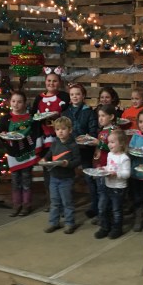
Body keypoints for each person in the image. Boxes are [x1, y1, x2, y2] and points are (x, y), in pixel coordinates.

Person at [30, 66, 70, 211]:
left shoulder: (64, 96)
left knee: (60, 168)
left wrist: (57, 116)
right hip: (44, 138)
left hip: (59, 138)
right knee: (47, 169)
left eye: (54, 81)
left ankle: (63, 202)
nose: (51, 83)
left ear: (59, 82)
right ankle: (51, 201)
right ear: (45, 82)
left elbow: (67, 113)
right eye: (49, 81)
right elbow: (33, 115)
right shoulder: (39, 98)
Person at [0, 90, 42, 217]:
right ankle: (16, 205)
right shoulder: (5, 119)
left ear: (24, 103)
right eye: (13, 101)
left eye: (19, 102)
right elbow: (0, 133)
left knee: (26, 180)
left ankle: (26, 205)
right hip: (13, 154)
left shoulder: (31, 119)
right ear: (10, 102)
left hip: (28, 153)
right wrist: (4, 136)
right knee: (15, 181)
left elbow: (36, 134)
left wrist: (35, 148)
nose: (16, 104)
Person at [62, 83, 99, 219]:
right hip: (70, 149)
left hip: (85, 150)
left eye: (78, 94)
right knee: (66, 178)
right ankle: (66, 207)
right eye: (72, 94)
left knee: (89, 178)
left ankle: (95, 206)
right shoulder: (66, 112)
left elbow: (93, 131)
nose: (75, 96)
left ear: (83, 96)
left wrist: (88, 138)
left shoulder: (89, 112)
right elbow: (62, 130)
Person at [41, 117, 81, 234]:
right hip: (54, 177)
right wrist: (44, 159)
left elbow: (77, 161)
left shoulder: (73, 145)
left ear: (70, 130)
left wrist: (68, 164)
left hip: (66, 178)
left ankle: (70, 223)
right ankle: (54, 223)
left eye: (63, 129)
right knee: (54, 202)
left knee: (67, 202)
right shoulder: (55, 143)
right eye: (58, 129)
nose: (60, 132)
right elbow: (49, 154)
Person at [95, 129, 130, 240]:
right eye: (109, 142)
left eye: (112, 142)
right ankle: (105, 227)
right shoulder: (110, 154)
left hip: (118, 188)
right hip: (107, 186)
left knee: (116, 210)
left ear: (121, 143)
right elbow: (109, 167)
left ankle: (117, 229)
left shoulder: (124, 158)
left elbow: (127, 174)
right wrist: (103, 169)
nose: (109, 144)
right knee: (103, 208)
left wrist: (116, 174)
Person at [89, 104, 118, 225]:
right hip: (98, 165)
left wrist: (99, 143)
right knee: (100, 191)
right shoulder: (101, 131)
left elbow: (114, 149)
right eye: (99, 116)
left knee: (105, 193)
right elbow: (98, 149)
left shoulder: (114, 131)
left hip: (108, 167)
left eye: (103, 116)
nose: (100, 118)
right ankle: (102, 214)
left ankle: (105, 216)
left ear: (111, 116)